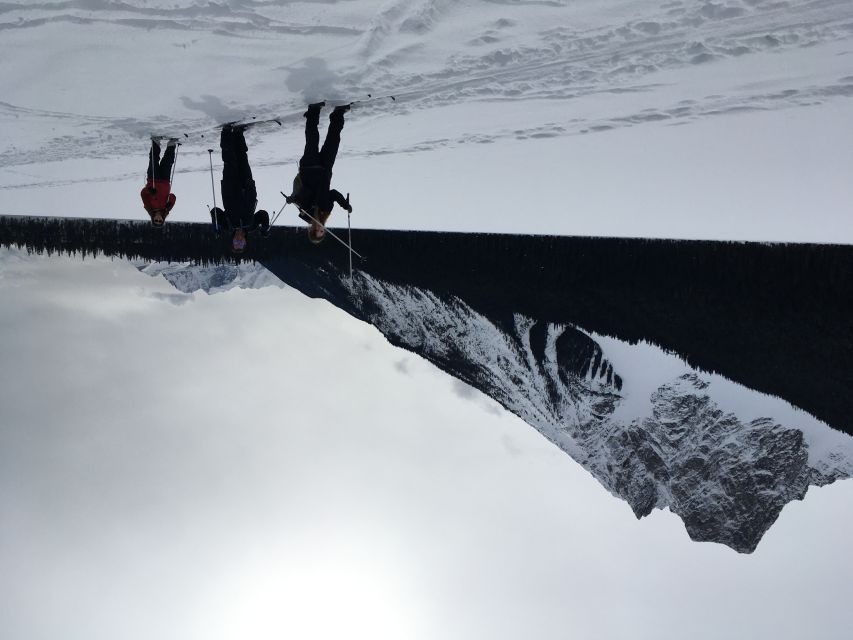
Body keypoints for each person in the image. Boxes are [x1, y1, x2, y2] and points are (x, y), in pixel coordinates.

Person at [287, 102, 353, 244]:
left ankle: (313, 112)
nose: (320, 228)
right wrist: (344, 204)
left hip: (309, 168)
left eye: (317, 230)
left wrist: (293, 199)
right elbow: (333, 193)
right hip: (325, 169)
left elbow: (302, 192)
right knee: (333, 140)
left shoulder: (305, 211)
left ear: (311, 229)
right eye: (322, 231)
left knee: (312, 137)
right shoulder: (327, 209)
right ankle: (337, 114)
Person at [213, 124, 270, 253]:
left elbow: (215, 211)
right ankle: (238, 134)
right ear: (245, 242)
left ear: (232, 240)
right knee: (243, 158)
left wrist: (216, 225)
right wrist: (265, 227)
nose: (238, 241)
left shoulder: (227, 226)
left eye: (236, 243)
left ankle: (226, 133)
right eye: (241, 243)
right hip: (247, 186)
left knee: (230, 160)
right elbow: (263, 214)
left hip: (230, 186)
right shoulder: (251, 226)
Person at [141, 138, 178, 227]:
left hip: (153, 180)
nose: (158, 219)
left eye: (156, 220)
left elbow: (143, 194)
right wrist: (170, 204)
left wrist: (149, 190)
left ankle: (156, 143)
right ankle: (171, 145)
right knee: (168, 161)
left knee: (153, 160)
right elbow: (172, 196)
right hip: (165, 181)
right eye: (160, 221)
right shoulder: (166, 209)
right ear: (163, 219)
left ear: (153, 219)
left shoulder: (148, 207)